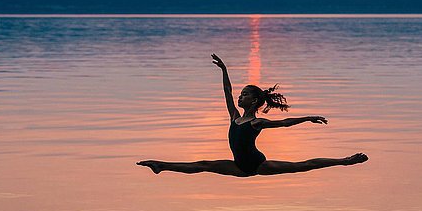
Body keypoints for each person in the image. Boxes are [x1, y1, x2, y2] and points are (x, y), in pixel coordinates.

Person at [137, 54, 368, 177]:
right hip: (238, 166)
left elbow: (285, 123)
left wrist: (306, 118)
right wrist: (225, 70)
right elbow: (226, 92)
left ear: (255, 101)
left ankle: (345, 161)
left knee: (304, 165)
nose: (240, 97)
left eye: (245, 94)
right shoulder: (234, 117)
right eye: (241, 94)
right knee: (203, 165)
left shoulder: (256, 122)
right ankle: (160, 165)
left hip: (258, 165)